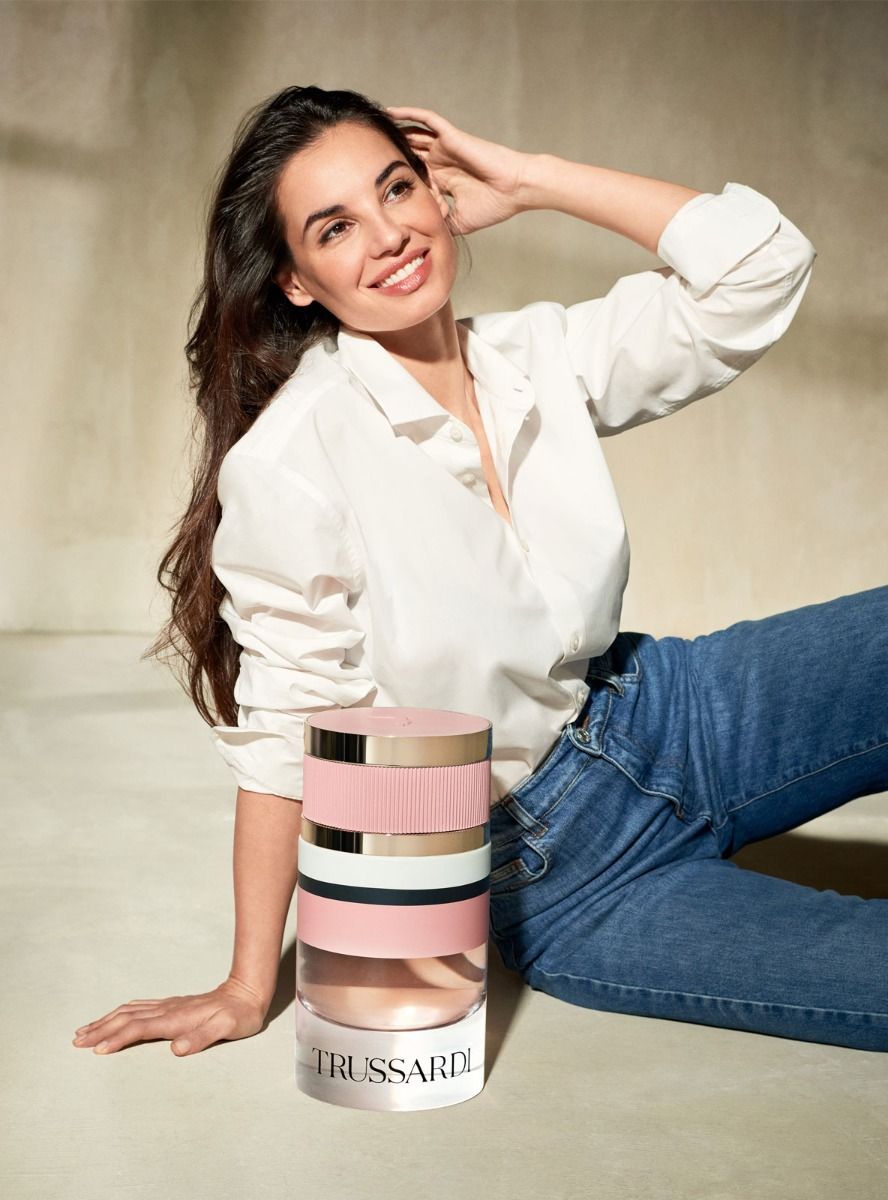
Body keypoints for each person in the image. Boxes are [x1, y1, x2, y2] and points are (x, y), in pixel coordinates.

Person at [72, 85, 888, 1060]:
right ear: (294, 280)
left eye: (397, 189)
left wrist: (535, 179)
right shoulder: (294, 460)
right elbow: (288, 733)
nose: (389, 235)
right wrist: (249, 986)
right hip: (560, 873)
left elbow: (759, 269)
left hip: (671, 710)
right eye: (336, 227)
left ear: (438, 193)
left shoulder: (533, 354)